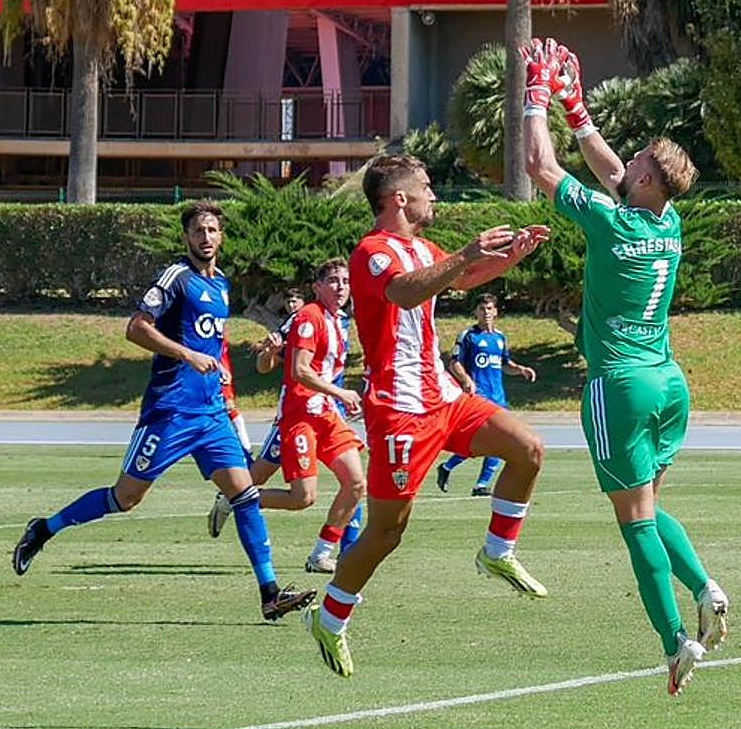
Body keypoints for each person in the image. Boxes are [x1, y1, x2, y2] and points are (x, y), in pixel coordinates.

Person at [521, 38, 730, 696]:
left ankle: (674, 640)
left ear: (646, 180)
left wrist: (534, 94)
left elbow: (539, 164)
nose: (627, 160)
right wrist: (576, 110)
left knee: (633, 520)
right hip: (671, 385)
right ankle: (704, 585)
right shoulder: (668, 223)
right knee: (651, 503)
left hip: (622, 387)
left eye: (637, 158)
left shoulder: (613, 222)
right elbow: (612, 169)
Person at [304, 153, 551, 677]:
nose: (433, 195)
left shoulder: (418, 246)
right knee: (387, 532)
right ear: (399, 199)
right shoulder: (372, 252)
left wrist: (512, 256)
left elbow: (462, 279)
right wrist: (465, 253)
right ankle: (330, 616)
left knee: (528, 448)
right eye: (426, 187)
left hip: (443, 397)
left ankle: (496, 552)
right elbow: (404, 290)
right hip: (398, 412)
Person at [11, 201, 315, 622]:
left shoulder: (222, 284)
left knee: (244, 495)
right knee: (125, 498)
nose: (206, 237)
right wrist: (185, 354)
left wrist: (224, 389)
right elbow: (136, 327)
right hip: (170, 411)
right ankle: (44, 529)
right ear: (186, 238)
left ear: (221, 236)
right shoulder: (176, 278)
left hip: (210, 414)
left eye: (212, 230)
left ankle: (270, 593)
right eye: (197, 231)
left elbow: (215, 346)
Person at [208, 262, 365, 573]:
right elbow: (297, 370)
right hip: (300, 417)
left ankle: (321, 554)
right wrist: (341, 393)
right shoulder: (309, 317)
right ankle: (235, 497)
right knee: (301, 498)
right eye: (333, 281)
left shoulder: (339, 321)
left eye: (346, 281)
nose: (341, 286)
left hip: (327, 415)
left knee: (356, 483)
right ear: (317, 287)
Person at [435, 293, 537, 496]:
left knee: (503, 441)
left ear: (496, 312)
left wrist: (521, 370)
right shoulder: (468, 336)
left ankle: (480, 484)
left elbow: (505, 364)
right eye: (482, 309)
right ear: (475, 312)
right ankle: (448, 468)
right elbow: (454, 362)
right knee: (478, 441)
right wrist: (466, 380)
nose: (486, 313)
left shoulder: (500, 338)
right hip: (478, 397)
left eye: (490, 309)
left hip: (498, 397)